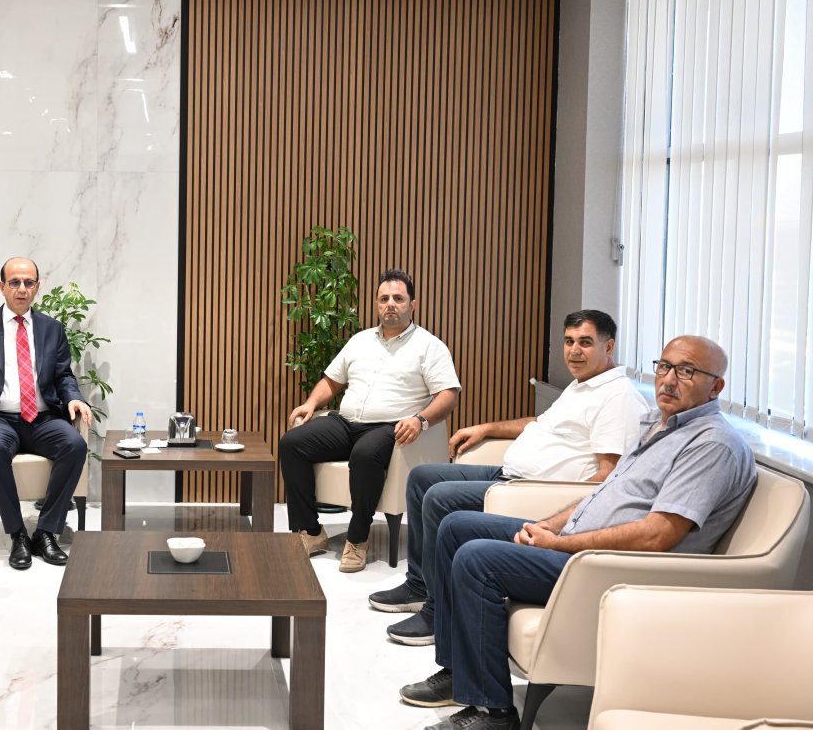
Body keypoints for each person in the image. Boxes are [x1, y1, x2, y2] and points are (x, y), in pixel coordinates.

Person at [399, 335, 757, 730]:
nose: (669, 380)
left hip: (610, 567)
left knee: (475, 559)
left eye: (686, 371)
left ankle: (493, 714)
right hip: (576, 543)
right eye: (664, 366)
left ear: (716, 387)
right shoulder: (657, 425)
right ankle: (460, 673)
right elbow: (604, 493)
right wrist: (549, 525)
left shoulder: (712, 445)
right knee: (456, 528)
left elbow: (657, 536)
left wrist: (560, 543)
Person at [370, 310, 647, 647]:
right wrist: (487, 428)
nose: (574, 351)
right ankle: (419, 584)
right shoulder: (583, 385)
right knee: (421, 478)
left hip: (530, 490)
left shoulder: (618, 397)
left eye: (585, 343)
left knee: (439, 497)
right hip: (510, 474)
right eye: (569, 341)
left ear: (609, 346)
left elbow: (608, 476)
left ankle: (437, 611)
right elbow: (540, 423)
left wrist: (563, 515)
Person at [278, 269, 461, 573]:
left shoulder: (429, 346)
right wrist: (310, 403)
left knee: (365, 455)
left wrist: (420, 420)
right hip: (346, 423)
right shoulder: (359, 341)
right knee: (292, 443)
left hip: (391, 428)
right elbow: (332, 381)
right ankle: (311, 531)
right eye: (384, 298)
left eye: (398, 298)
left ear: (412, 304)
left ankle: (357, 539)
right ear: (376, 304)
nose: (390, 304)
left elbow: (448, 395)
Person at [0, 257, 92, 570]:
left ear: (37, 287)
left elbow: (63, 375)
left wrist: (74, 398)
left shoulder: (51, 329)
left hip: (43, 419)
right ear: (2, 287)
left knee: (75, 445)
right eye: (14, 282)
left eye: (28, 282)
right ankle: (18, 534)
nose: (22, 289)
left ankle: (46, 531)